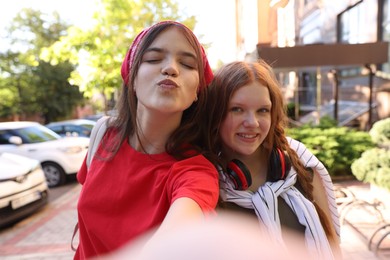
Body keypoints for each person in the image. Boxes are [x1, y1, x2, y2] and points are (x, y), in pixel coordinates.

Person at [73, 21, 219, 259]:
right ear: (131, 76)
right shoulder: (103, 135)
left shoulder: (196, 173)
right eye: (153, 59)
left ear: (197, 92)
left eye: (187, 63)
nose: (171, 68)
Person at [202, 60, 342, 259]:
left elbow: (333, 247)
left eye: (263, 110)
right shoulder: (201, 180)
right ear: (216, 113)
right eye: (237, 109)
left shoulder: (301, 165)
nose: (252, 123)